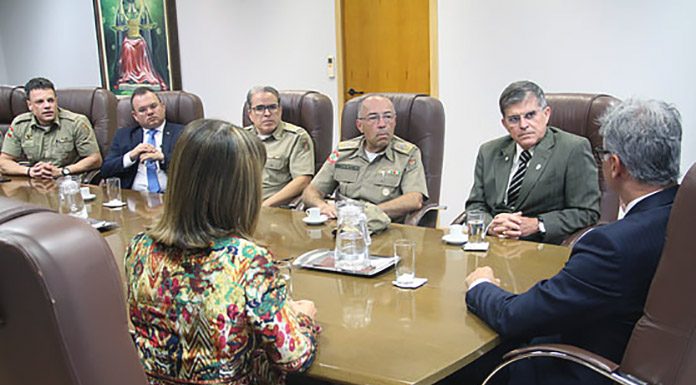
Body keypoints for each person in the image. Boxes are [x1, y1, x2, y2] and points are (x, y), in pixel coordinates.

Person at [464, 98, 682, 385]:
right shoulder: (682, 216)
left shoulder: (612, 246)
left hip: (583, 369)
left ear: (614, 165)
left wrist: (482, 285)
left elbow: (513, 316)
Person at [124, 119, 319, 385]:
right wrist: (304, 317)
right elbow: (294, 357)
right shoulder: (246, 261)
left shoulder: (139, 246)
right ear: (240, 191)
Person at [465, 80, 600, 244]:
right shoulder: (489, 151)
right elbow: (476, 205)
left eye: (530, 115)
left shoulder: (573, 149)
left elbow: (587, 212)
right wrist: (491, 225)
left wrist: (537, 224)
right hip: (493, 244)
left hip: (542, 247)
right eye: (514, 119)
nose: (523, 125)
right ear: (504, 124)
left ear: (546, 114)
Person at [302, 95, 428, 221]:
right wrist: (322, 206)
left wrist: (366, 212)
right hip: (341, 225)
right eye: (373, 118)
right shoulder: (344, 152)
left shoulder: (407, 154)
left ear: (395, 121)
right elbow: (311, 192)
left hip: (384, 226)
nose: (382, 124)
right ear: (360, 125)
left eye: (388, 117)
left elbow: (414, 199)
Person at [0, 77, 102, 179]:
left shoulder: (76, 122)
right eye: (40, 102)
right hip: (35, 181)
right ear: (30, 105)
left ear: (56, 101)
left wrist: (63, 171)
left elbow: (95, 159)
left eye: (50, 100)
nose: (47, 106)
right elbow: (4, 162)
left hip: (67, 180)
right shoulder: (20, 124)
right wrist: (29, 171)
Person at [243, 86, 315, 207]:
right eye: (260, 108)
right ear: (250, 114)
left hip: (275, 208)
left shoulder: (296, 137)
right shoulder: (242, 138)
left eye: (272, 107)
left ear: (280, 110)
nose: (267, 114)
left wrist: (265, 206)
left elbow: (302, 180)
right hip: (241, 206)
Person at [101, 87, 183, 191]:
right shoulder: (124, 135)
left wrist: (163, 158)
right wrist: (130, 157)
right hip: (135, 198)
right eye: (142, 110)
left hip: (171, 197)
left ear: (163, 107)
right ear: (135, 116)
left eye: (153, 106)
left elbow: (192, 167)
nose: (149, 112)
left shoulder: (182, 133)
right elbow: (105, 170)